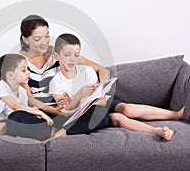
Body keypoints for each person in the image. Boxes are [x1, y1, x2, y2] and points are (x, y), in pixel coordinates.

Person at [47, 33, 183, 141]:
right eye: (67, 55)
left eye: (76, 55)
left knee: (126, 108)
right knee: (117, 118)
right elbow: (65, 110)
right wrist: (78, 98)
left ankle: (175, 115)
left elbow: (101, 98)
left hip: (99, 103)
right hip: (83, 112)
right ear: (57, 56)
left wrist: (97, 92)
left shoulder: (87, 72)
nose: (72, 60)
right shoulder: (55, 80)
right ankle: (156, 131)